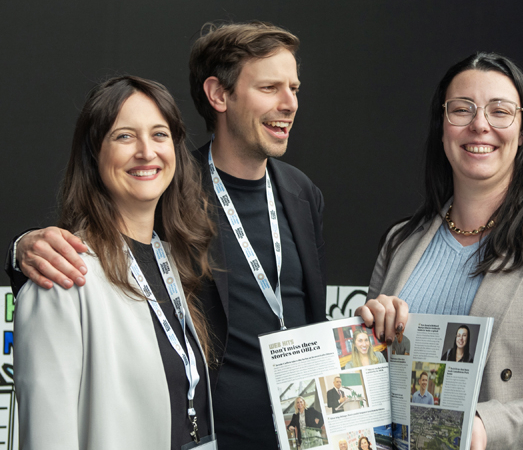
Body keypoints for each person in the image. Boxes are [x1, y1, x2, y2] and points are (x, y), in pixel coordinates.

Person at [5, 22, 328, 450]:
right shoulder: (169, 192)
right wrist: (24, 248)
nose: (289, 103)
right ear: (218, 95)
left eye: (294, 88)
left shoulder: (302, 193)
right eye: (270, 87)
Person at [358, 52, 523, 449]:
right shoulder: (400, 241)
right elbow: (374, 378)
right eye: (462, 109)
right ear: (442, 127)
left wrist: (481, 427)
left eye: (500, 111)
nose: (480, 125)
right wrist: (369, 338)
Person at [14, 76, 217, 449]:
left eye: (159, 134)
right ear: (95, 154)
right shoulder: (64, 274)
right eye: (125, 136)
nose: (146, 151)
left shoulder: (170, 262)